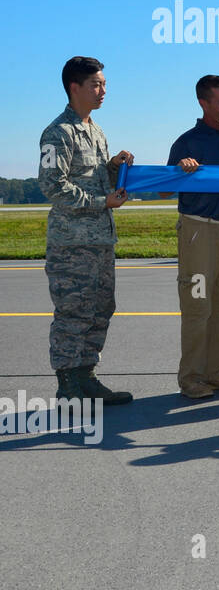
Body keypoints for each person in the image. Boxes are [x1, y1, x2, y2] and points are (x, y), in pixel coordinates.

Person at [37, 56, 134, 404]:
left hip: (100, 241)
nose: (103, 90)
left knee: (100, 308)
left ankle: (86, 377)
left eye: (104, 84)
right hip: (72, 244)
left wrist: (113, 167)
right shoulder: (57, 133)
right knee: (73, 312)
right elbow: (53, 186)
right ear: (74, 87)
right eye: (96, 84)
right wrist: (102, 202)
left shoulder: (94, 129)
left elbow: (95, 180)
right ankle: (68, 387)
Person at [163, 75, 219, 399]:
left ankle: (216, 373)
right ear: (204, 103)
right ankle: (191, 377)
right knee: (198, 305)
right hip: (198, 232)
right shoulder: (186, 142)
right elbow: (162, 190)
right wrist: (180, 171)